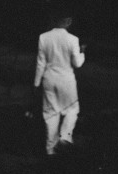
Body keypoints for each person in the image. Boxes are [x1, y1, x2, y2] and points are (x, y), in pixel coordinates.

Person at [33, 13, 85, 155]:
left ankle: (51, 149)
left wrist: (36, 83)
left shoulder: (43, 37)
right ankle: (64, 138)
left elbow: (40, 62)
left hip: (49, 79)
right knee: (72, 110)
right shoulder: (73, 39)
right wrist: (82, 53)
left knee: (51, 114)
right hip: (66, 80)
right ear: (68, 22)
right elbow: (77, 64)